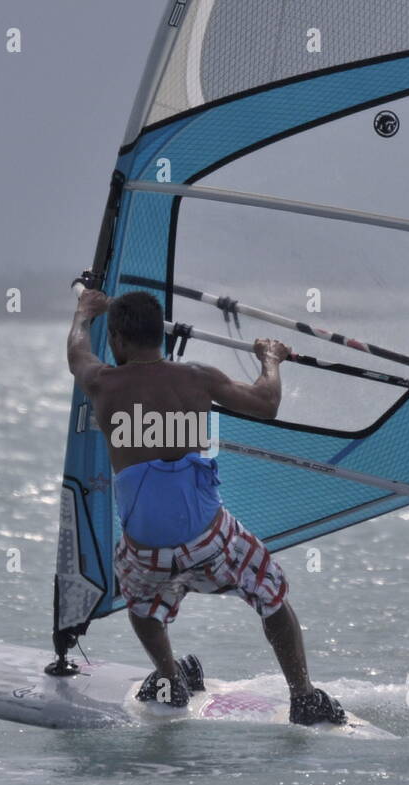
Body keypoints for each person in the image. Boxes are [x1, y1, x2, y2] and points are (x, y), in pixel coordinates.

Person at [66, 287, 347, 725]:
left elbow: (76, 353)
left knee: (140, 604)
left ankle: (169, 678)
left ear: (118, 339)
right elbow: (266, 403)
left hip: (145, 551)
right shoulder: (196, 378)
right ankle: (304, 696)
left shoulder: (102, 383)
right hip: (209, 539)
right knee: (270, 590)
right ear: (157, 336)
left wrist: (84, 313)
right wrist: (270, 357)